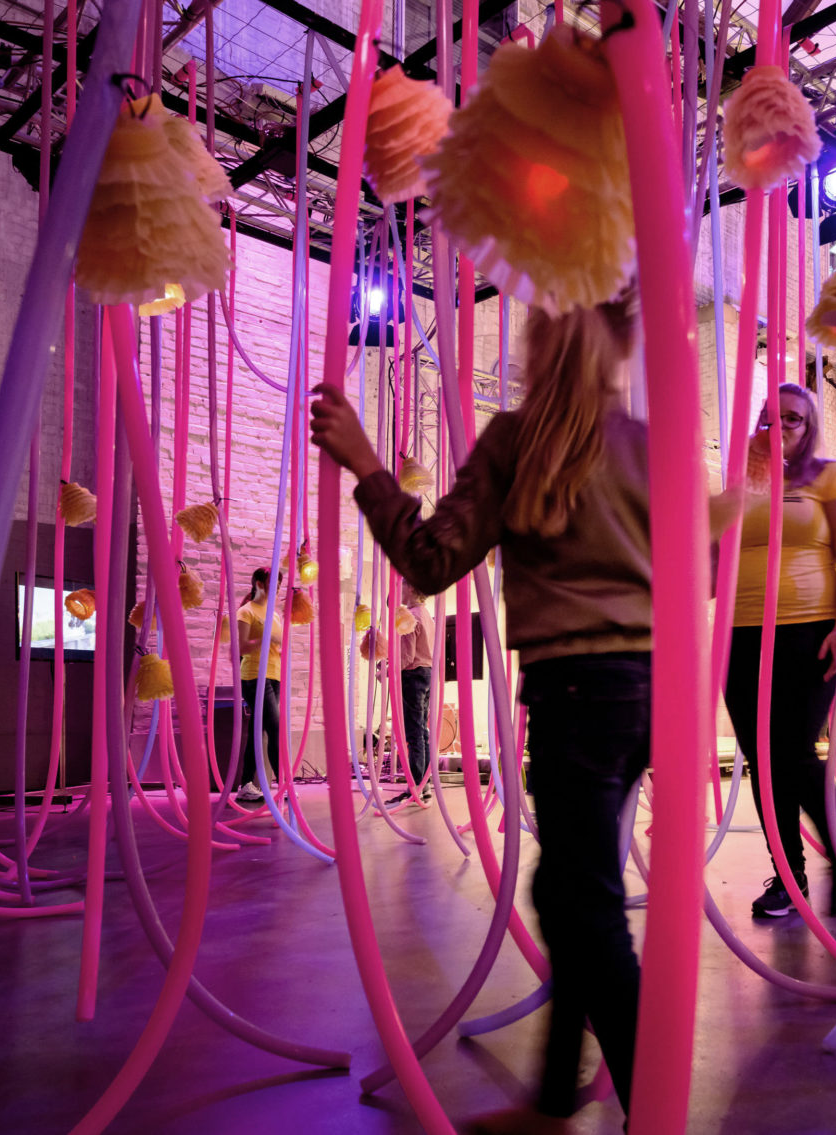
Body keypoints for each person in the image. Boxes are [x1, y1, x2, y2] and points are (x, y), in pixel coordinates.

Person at [312, 298, 739, 1133]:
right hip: (649, 692)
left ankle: (655, 1111)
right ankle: (551, 1102)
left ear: (546, 347)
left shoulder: (518, 438)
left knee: (584, 905)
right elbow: (704, 569)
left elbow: (431, 560)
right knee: (575, 887)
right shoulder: (653, 444)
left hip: (575, 692)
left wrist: (365, 462)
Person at [727, 382, 836, 919]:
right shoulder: (741, 481)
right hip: (741, 634)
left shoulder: (831, 477)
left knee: (795, 753)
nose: (780, 428)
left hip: (811, 630)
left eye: (793, 418)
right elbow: (717, 556)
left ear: (809, 427)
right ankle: (789, 876)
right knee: (762, 760)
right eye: (769, 418)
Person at [235, 567, 284, 804]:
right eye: (271, 583)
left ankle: (245, 784)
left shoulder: (274, 614)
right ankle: (283, 784)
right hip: (255, 676)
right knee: (274, 729)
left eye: (278, 584)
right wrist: (264, 640)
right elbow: (241, 648)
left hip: (274, 676)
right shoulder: (246, 612)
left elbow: (277, 646)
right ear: (258, 584)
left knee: (259, 731)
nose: (276, 588)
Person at [387, 588, 438, 805]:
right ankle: (423, 784)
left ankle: (415, 785)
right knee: (422, 732)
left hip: (413, 675)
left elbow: (406, 657)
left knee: (414, 733)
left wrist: (387, 670)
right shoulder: (426, 614)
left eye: (404, 586)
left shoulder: (411, 617)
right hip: (426, 673)